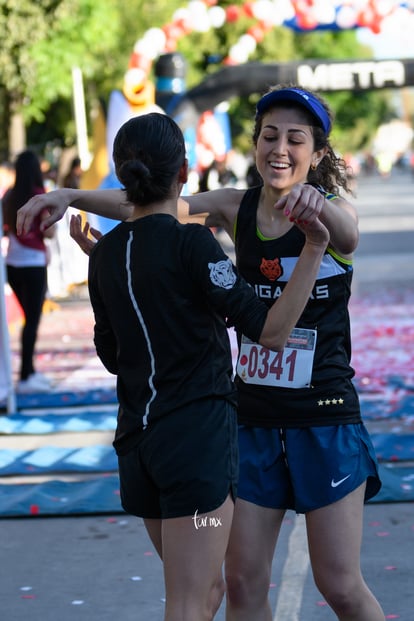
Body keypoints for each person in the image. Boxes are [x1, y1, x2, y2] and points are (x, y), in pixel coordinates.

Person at [16, 86, 384, 620]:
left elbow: (347, 237)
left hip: (323, 419)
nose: (279, 148)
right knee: (240, 579)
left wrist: (318, 217)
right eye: (269, 136)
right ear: (256, 144)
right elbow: (151, 202)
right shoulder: (236, 207)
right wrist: (68, 196)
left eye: (295, 139)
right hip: (252, 423)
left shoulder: (335, 213)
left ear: (318, 153)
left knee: (340, 584)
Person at [2, 150, 56, 394]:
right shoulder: (38, 196)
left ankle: (27, 373)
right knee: (32, 321)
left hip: (12, 263)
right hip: (34, 263)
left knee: (27, 319)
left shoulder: (9, 196)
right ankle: (26, 375)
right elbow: (49, 231)